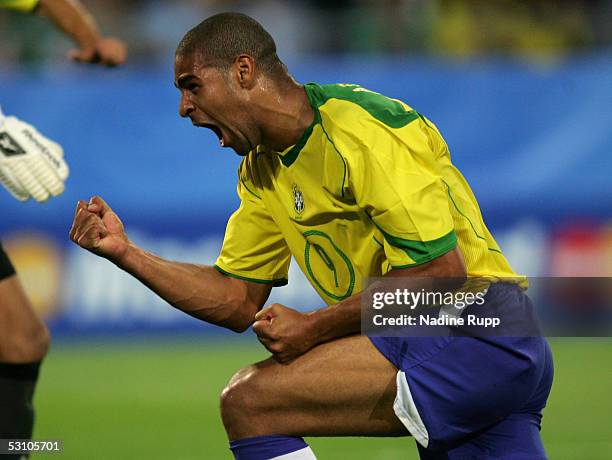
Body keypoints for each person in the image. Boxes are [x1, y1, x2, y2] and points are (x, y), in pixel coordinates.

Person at [69, 12, 553, 460]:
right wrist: (126, 254)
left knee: (251, 404)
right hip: (477, 349)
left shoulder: (358, 129)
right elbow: (236, 299)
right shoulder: (261, 169)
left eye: (192, 86)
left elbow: (441, 275)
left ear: (242, 71)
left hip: (475, 328)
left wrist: (314, 326)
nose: (183, 107)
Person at [0, 0, 126, 452]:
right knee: (251, 405)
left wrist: (89, 39)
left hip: (364, 314)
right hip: (364, 317)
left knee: (22, 343)